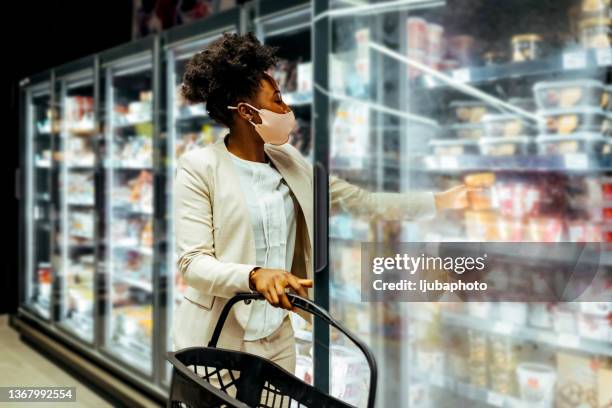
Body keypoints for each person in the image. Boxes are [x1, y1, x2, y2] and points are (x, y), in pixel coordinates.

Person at [172, 32, 469, 377]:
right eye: (277, 100)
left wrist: (437, 201)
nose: (287, 109)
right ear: (246, 113)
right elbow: (193, 263)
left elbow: (360, 201)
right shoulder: (199, 167)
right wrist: (254, 276)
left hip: (276, 339)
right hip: (218, 337)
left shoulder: (287, 159)